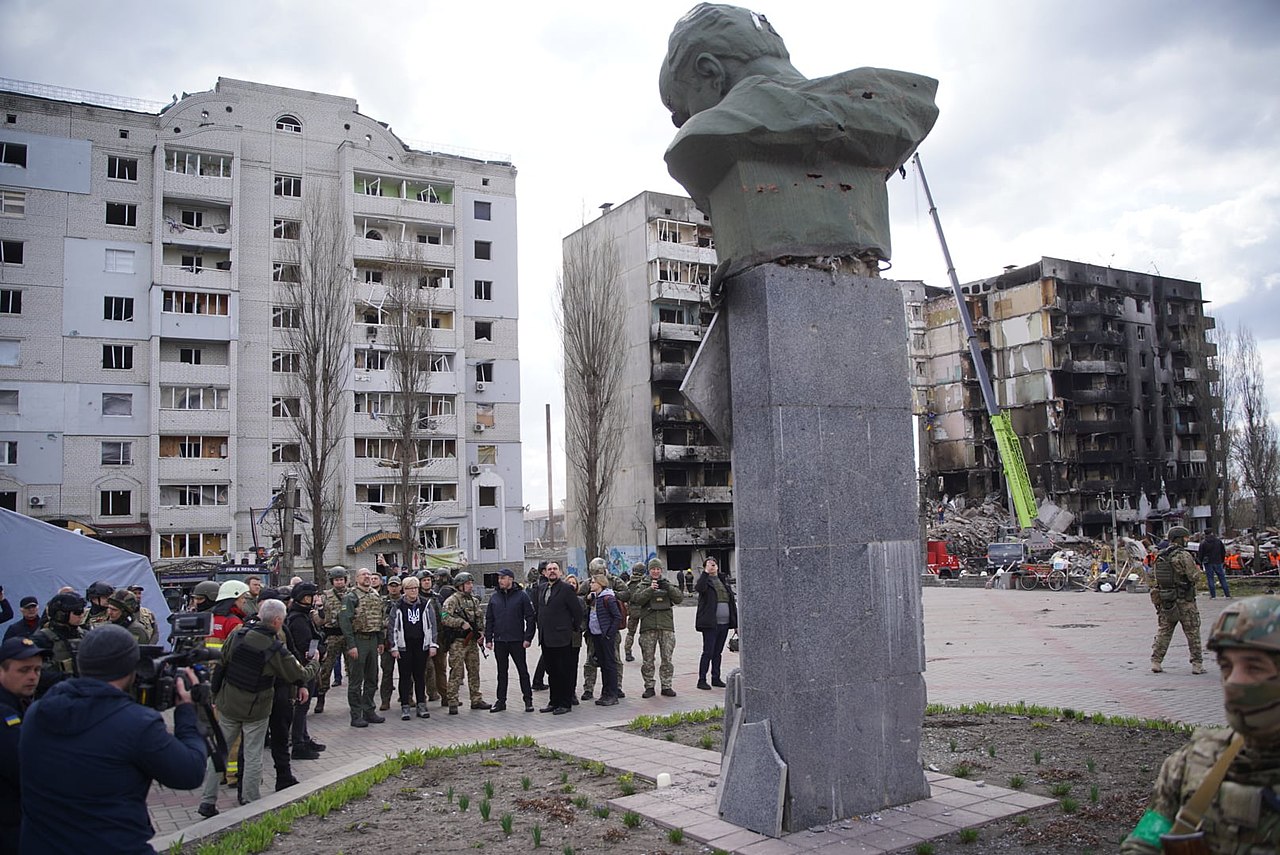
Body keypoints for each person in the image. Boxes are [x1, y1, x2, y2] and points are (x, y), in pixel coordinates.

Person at [658, 3, 938, 279]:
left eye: (683, 112)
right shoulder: (891, 107)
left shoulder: (706, 134)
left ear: (710, 72)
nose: (685, 124)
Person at [20, 624, 206, 853]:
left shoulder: (36, 713)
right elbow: (190, 773)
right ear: (132, 667)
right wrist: (187, 712)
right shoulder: (137, 724)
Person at [1122, 595, 1280, 852]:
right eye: (1226, 666)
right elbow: (1144, 843)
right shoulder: (1194, 761)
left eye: (1254, 667)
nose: (1233, 681)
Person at [197, 599, 318, 816]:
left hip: (228, 702)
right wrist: (315, 662)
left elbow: (221, 665)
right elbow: (297, 674)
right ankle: (250, 801)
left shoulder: (238, 634)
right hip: (256, 708)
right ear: (278, 621)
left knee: (219, 751)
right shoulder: (274, 648)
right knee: (253, 753)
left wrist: (215, 694)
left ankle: (207, 801)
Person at [1, 637, 43, 854]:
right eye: (24, 670)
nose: (32, 677)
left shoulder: (20, 703)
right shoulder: (4, 715)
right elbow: (26, 769)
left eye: (37, 670)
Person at [1150, 526, 1205, 675]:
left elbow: (1156, 578)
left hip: (1167, 599)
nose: (1187, 540)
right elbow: (1193, 576)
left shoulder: (1160, 556)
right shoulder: (1183, 555)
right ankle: (1197, 664)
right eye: (1185, 538)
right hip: (1185, 600)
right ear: (1179, 538)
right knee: (1192, 631)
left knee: (1164, 632)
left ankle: (1156, 661)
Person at [339, 568, 386, 728]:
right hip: (358, 640)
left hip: (373, 640)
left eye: (369, 575)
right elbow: (345, 622)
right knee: (356, 680)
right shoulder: (351, 597)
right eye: (363, 575)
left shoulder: (375, 595)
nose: (367, 577)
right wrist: (351, 645)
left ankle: (369, 710)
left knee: (372, 678)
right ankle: (356, 714)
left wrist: (380, 641)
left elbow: (380, 618)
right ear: (356, 578)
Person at [484, 568, 536, 714]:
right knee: (502, 672)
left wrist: (528, 638)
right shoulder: (494, 598)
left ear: (511, 579)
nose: (500, 581)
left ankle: (528, 700)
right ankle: (501, 701)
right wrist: (489, 639)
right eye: (499, 578)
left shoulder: (522, 596)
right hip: (500, 640)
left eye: (503, 578)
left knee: (522, 671)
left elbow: (530, 617)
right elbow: (489, 619)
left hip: (517, 640)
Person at [535, 562, 584, 716]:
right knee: (552, 672)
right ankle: (553, 701)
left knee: (564, 672)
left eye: (555, 569)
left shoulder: (566, 589)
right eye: (549, 569)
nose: (552, 572)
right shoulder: (542, 588)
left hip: (562, 637)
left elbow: (577, 611)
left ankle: (565, 703)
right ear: (545, 573)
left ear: (560, 572)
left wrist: (573, 628)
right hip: (546, 638)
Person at [283, 582, 325, 760]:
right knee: (302, 706)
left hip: (306, 666)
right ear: (304, 598)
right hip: (303, 668)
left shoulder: (302, 615)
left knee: (303, 706)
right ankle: (298, 744)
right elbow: (304, 645)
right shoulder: (298, 619)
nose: (315, 599)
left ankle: (304, 738)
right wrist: (319, 651)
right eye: (311, 596)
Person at [388, 575, 439, 720]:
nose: (413, 591)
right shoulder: (398, 605)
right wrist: (394, 647)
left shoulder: (425, 604)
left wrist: (433, 644)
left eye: (415, 588)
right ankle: (405, 705)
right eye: (410, 589)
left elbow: (432, 624)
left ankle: (421, 704)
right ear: (404, 590)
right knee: (405, 677)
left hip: (421, 645)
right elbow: (392, 627)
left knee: (420, 676)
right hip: (404, 645)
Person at [633, 557, 684, 698]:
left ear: (661, 570)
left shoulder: (667, 584)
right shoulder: (643, 584)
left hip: (666, 626)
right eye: (653, 569)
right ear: (649, 571)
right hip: (648, 627)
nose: (655, 571)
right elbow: (637, 600)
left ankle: (666, 685)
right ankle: (649, 686)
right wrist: (650, 589)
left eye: (658, 569)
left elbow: (679, 598)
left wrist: (667, 588)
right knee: (648, 659)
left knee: (667, 658)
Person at [440, 572, 490, 715]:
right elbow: (444, 618)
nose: (470, 586)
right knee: (456, 671)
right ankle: (453, 701)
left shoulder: (474, 601)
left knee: (474, 670)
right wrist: (460, 623)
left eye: (471, 583)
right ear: (460, 585)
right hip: (458, 642)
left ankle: (476, 699)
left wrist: (481, 633)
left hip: (472, 642)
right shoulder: (452, 600)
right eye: (468, 583)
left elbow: (479, 619)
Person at [694, 557, 738, 689]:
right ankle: (702, 680)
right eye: (709, 565)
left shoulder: (723, 581)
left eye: (714, 564)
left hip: (724, 624)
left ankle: (715, 677)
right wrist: (706, 572)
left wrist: (735, 624)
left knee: (717, 652)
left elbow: (731, 603)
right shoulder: (705, 581)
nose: (713, 566)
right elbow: (699, 588)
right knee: (708, 651)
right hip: (710, 624)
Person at [314, 566, 349, 714]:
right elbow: (318, 618)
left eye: (341, 579)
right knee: (326, 669)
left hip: (348, 635)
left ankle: (355, 700)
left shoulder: (352, 595)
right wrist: (320, 610)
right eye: (336, 580)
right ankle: (321, 698)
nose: (339, 582)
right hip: (331, 636)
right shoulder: (325, 596)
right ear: (332, 581)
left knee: (353, 669)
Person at [31, 593, 85, 690]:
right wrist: (65, 677)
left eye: (82, 611)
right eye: (77, 612)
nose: (81, 615)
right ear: (61, 614)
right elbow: (34, 673)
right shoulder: (42, 639)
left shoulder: (86, 635)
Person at [587, 574, 624, 706]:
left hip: (605, 636)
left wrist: (609, 633)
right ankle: (605, 692)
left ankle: (613, 694)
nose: (590, 584)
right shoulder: (595, 598)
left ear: (600, 584)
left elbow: (617, 617)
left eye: (592, 582)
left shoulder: (608, 598)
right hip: (596, 635)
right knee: (602, 665)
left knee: (609, 664)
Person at [378, 575, 401, 712]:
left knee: (406, 672)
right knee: (387, 672)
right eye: (391, 586)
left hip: (403, 641)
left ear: (400, 587)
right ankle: (385, 700)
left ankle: (408, 697)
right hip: (387, 642)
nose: (393, 588)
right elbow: (377, 621)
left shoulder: (405, 601)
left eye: (396, 585)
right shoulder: (382, 602)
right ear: (387, 587)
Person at [622, 563, 647, 663]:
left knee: (630, 633)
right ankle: (646, 654)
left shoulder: (628, 584)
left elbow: (625, 596)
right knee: (645, 634)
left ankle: (628, 653)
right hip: (644, 610)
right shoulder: (644, 582)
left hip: (632, 611)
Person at [1199, 531, 1230, 600]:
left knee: (1210, 579)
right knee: (1222, 578)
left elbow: (1200, 554)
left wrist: (1200, 563)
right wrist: (1222, 560)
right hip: (1218, 561)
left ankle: (1213, 596)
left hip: (1208, 562)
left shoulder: (1203, 542)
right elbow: (1223, 551)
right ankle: (1227, 594)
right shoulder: (1218, 541)